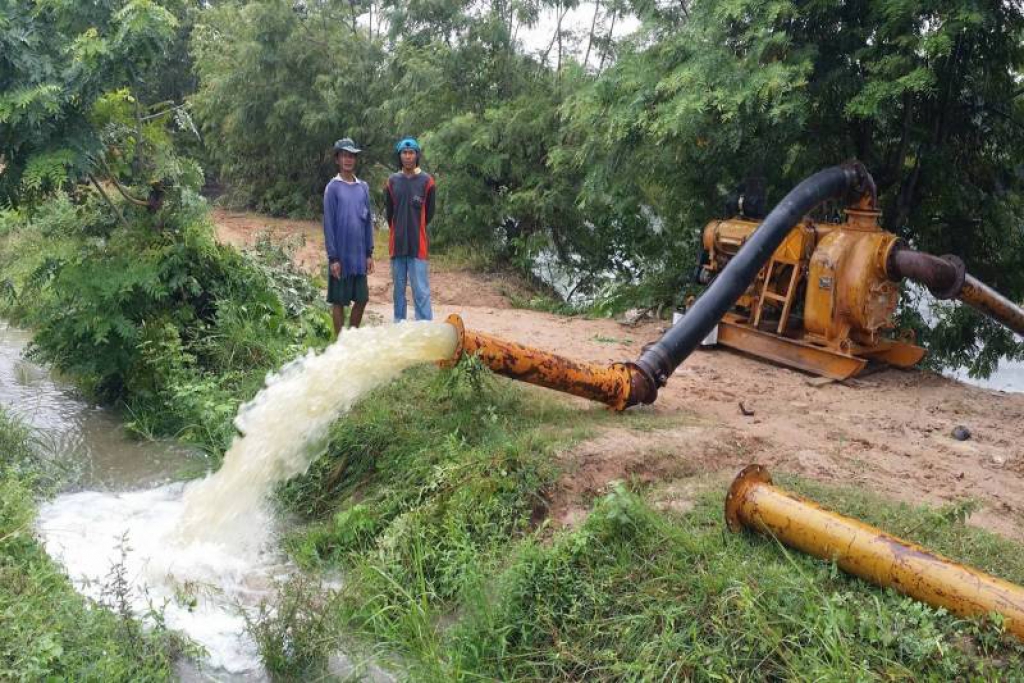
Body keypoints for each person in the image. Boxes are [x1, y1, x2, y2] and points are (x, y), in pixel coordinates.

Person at [323, 137, 375, 337]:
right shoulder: (332, 188)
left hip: (359, 255)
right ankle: (339, 343)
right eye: (344, 155)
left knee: (361, 299)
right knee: (339, 301)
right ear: (337, 159)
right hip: (341, 256)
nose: (348, 160)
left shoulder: (363, 187)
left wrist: (369, 253)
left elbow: (367, 220)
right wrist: (333, 258)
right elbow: (329, 225)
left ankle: (350, 339)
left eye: (352, 156)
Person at [384, 137, 436, 321]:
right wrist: (398, 231)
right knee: (398, 292)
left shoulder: (427, 181)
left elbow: (429, 214)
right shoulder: (392, 181)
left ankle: (425, 330)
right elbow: (389, 214)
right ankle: (399, 327)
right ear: (399, 156)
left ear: (417, 155)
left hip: (418, 245)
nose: (408, 156)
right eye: (404, 153)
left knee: (420, 291)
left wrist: (416, 227)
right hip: (397, 245)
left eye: (411, 152)